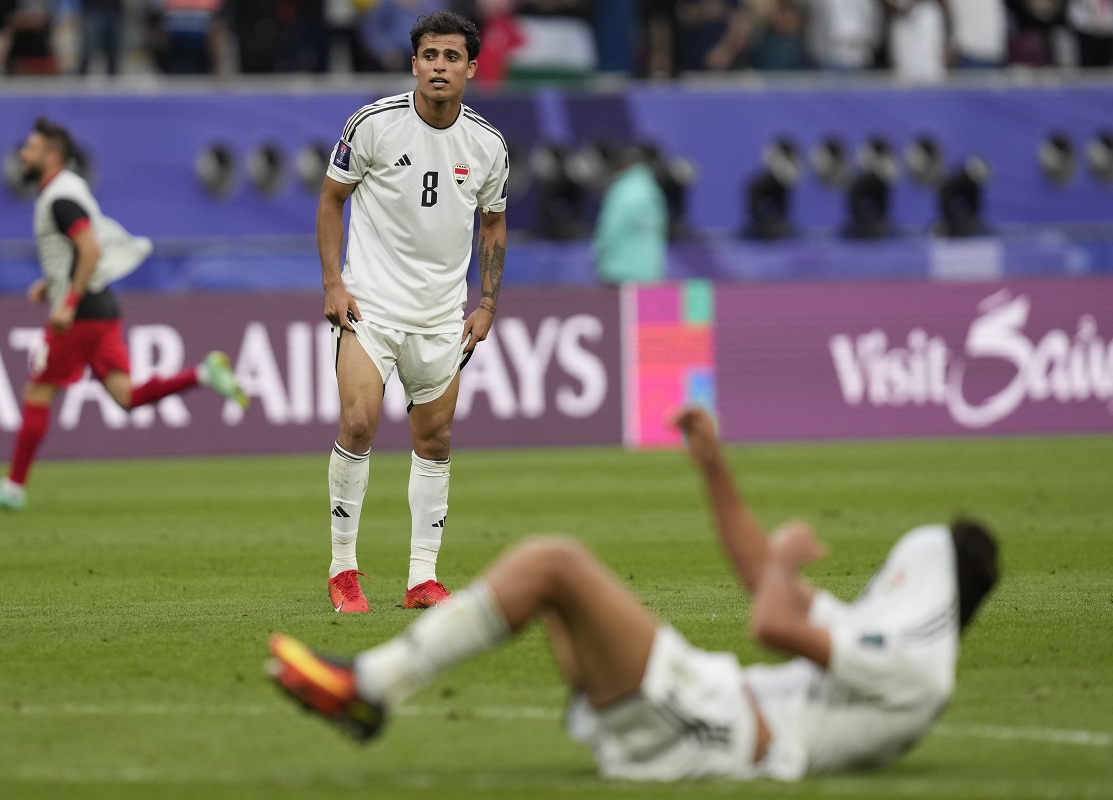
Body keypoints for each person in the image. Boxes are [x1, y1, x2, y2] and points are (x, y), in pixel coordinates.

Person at [267, 406, 999, 781]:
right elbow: (760, 578)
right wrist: (714, 468)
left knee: (554, 565)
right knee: (549, 585)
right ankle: (372, 686)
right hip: (711, 707)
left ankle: (371, 687)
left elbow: (773, 621)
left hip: (719, 729)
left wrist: (783, 564)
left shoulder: (918, 669)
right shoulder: (893, 641)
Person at [316, 11, 509, 613]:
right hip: (371, 306)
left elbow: (494, 222)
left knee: (436, 438)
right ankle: (343, 569)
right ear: (414, 63)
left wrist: (486, 303)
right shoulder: (373, 125)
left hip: (441, 316)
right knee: (357, 422)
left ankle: (422, 578)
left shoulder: (488, 144)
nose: (439, 67)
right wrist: (333, 284)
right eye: (430, 56)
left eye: (452, 57)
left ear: (471, 67)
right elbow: (331, 201)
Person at [0, 118, 248, 512]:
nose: (23, 155)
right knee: (125, 396)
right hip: (101, 309)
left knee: (37, 392)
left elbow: (90, 248)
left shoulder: (59, 199)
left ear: (52, 156)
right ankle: (202, 374)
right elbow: (83, 247)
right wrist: (52, 283)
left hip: (80, 314)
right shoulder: (70, 188)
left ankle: (13, 488)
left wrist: (67, 300)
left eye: (30, 148)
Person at [593, 144, 668, 284]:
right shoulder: (653, 190)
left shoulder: (621, 190)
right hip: (649, 273)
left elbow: (610, 228)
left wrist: (599, 257)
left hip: (619, 272)